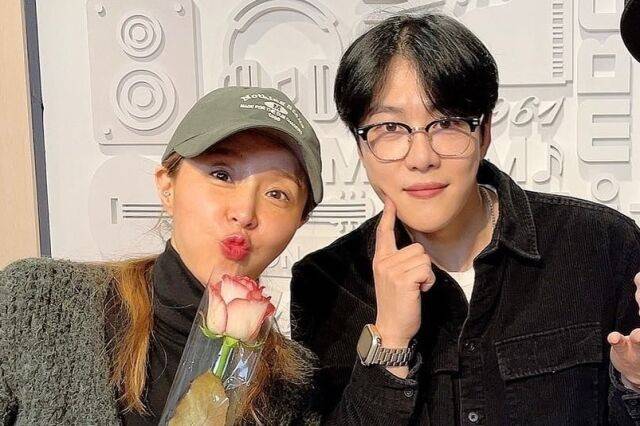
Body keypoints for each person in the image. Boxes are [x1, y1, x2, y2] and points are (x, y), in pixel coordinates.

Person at [290, 11, 640, 424]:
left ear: (485, 132)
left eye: (447, 124)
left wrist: (635, 383)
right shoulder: (326, 284)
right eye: (390, 128)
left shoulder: (602, 244)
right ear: (360, 146)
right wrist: (389, 342)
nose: (421, 157)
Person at [0, 86, 323, 424]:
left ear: (300, 220)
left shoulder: (291, 386)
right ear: (167, 186)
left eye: (277, 193)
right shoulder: (39, 301)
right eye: (222, 175)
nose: (244, 213)